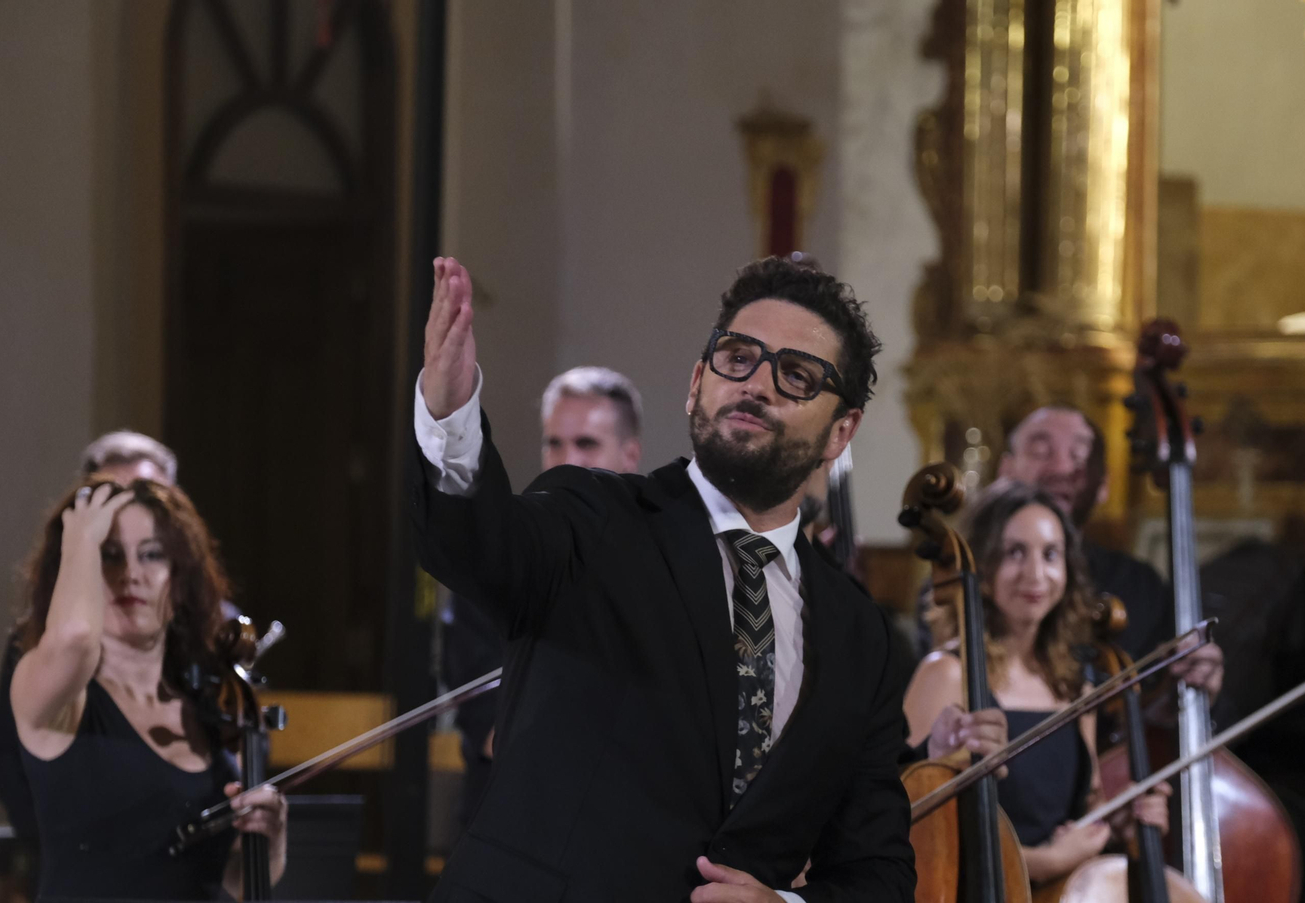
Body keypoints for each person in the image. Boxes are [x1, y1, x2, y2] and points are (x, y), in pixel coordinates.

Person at [412, 254, 920, 901]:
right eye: (738, 357)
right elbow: (474, 543)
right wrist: (449, 416)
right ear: (696, 382)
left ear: (841, 431)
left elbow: (877, 872)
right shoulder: (592, 519)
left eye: (796, 375)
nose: (756, 384)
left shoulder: (860, 636)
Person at [10, 477, 285, 900]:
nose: (131, 575)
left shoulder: (214, 708)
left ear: (180, 578)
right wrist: (82, 533)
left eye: (152, 554)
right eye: (110, 555)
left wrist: (269, 842)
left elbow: (235, 881)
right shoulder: (51, 691)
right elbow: (75, 638)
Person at [903, 481, 1171, 886]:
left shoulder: (1075, 688)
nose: (1035, 574)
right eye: (1014, 553)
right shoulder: (946, 674)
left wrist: (1116, 825)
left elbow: (1082, 809)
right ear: (982, 566)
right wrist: (1044, 861)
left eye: (1050, 555)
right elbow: (913, 827)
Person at [440, 365, 644, 834]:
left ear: (630, 454)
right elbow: (494, 730)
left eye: (586, 444)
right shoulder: (495, 558)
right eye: (554, 443)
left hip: (622, 834)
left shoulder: (662, 567)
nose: (566, 460)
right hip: (510, 827)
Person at [0, 431, 208, 841]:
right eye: (107, 499)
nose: (131, 573)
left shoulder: (213, 640)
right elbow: (7, 763)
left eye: (152, 552)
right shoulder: (43, 646)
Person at [994, 405, 1223, 700]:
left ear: (1103, 485)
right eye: (1040, 451)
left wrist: (1197, 690)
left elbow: (1155, 712)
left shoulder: (1141, 587)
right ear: (1005, 471)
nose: (1062, 469)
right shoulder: (962, 580)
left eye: (1079, 456)